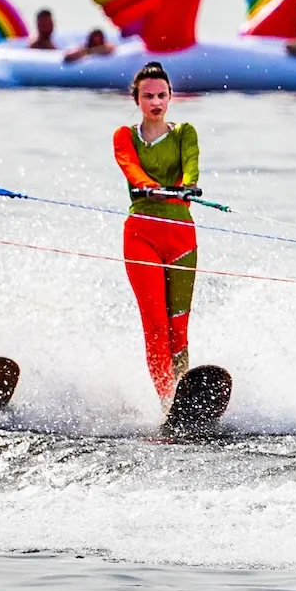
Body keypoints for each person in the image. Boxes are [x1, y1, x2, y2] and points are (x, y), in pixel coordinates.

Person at [111, 62, 204, 403]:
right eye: (148, 96)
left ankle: (183, 396)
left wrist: (189, 185)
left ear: (170, 97)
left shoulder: (184, 133)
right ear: (136, 99)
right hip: (141, 235)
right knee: (155, 325)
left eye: (162, 95)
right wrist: (148, 186)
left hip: (181, 237)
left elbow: (191, 163)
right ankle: (166, 400)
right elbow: (130, 166)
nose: (156, 102)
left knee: (178, 325)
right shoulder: (124, 136)